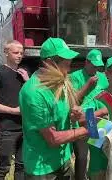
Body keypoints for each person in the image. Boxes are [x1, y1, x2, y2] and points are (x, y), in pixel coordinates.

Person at [19, 38, 89, 179]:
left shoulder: (59, 81)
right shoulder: (34, 93)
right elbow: (53, 138)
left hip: (63, 159)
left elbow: (65, 108)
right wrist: (87, 129)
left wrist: (74, 112)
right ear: (50, 63)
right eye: (66, 64)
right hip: (43, 168)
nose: (69, 69)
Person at [0, 40, 29, 180]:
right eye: (15, 52)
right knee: (3, 167)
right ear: (6, 52)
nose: (19, 55)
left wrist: (28, 80)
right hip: (7, 128)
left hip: (25, 127)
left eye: (21, 53)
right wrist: (13, 111)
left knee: (22, 165)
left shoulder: (24, 74)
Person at [69, 49, 108, 180]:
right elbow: (72, 101)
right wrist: (88, 84)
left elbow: (106, 96)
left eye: (98, 66)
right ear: (86, 62)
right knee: (82, 156)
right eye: (93, 65)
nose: (95, 68)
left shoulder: (102, 77)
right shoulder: (75, 76)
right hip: (81, 120)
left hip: (98, 119)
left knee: (98, 153)